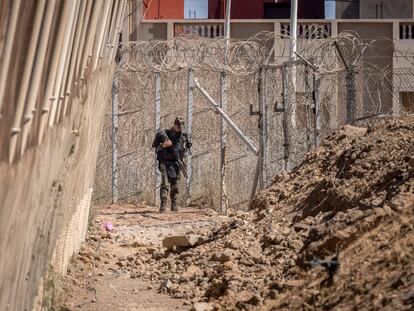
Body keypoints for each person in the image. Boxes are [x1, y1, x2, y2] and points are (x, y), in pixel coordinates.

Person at [152, 117, 192, 212]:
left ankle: (174, 204)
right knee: (165, 183)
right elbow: (155, 145)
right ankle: (163, 204)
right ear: (174, 124)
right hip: (165, 161)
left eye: (181, 127)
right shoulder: (165, 134)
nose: (179, 128)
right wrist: (163, 145)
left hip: (177, 162)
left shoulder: (184, 136)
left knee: (175, 184)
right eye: (178, 126)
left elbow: (186, 147)